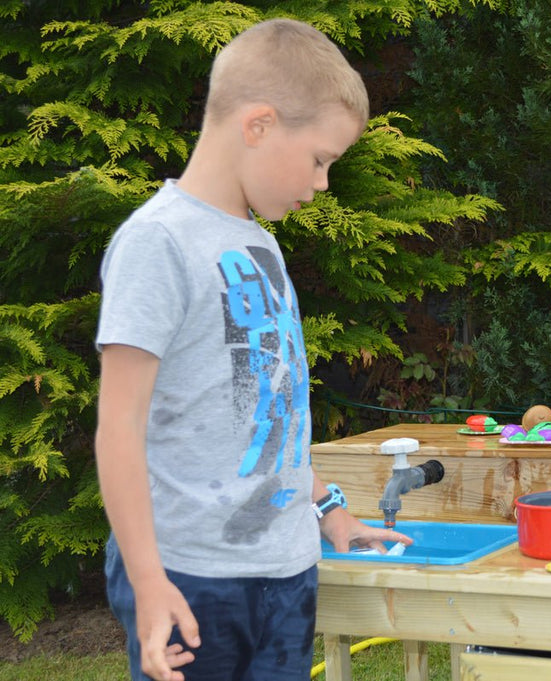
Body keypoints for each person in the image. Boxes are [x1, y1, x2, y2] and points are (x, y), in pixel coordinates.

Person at [94, 19, 411, 681]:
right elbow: (118, 428)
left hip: (287, 572)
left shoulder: (260, 242)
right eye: (320, 159)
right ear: (259, 124)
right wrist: (149, 585)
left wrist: (329, 511)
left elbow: (271, 410)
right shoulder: (158, 243)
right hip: (190, 577)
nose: (323, 183)